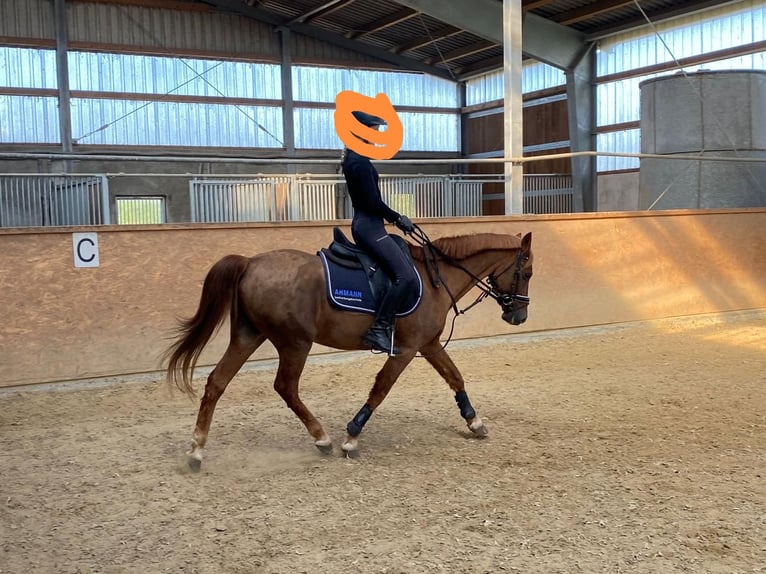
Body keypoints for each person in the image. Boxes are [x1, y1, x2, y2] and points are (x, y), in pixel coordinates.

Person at [341, 110, 418, 356]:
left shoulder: (355, 158)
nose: (376, 135)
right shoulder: (360, 163)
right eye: (374, 130)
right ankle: (380, 328)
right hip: (369, 226)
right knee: (405, 276)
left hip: (370, 225)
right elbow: (373, 203)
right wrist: (398, 218)